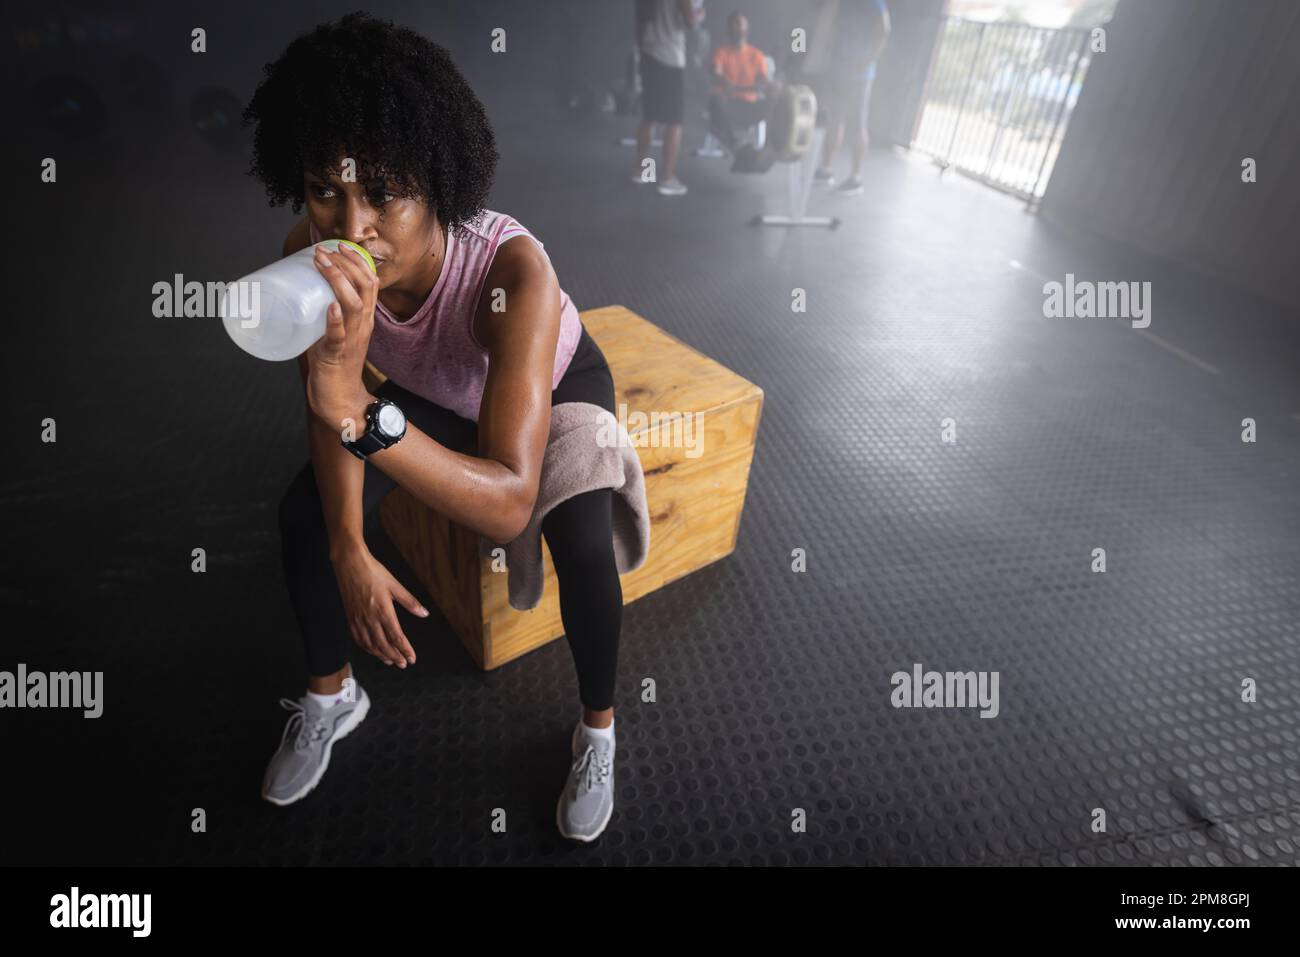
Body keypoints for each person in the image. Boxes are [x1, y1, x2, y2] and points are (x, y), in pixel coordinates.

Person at [243, 12, 624, 843]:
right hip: (429, 396)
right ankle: (331, 693)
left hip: (550, 385)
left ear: (438, 184)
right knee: (303, 517)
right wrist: (350, 545)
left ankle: (597, 728)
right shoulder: (307, 255)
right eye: (325, 189)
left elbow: (507, 503)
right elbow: (327, 409)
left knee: (582, 539)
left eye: (385, 193)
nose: (351, 228)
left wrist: (355, 408)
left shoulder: (510, 273)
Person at [802, 0, 891, 195]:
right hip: (838, 67)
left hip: (860, 73)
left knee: (859, 124)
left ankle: (856, 178)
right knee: (836, 119)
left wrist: (867, 61)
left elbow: (884, 31)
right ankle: (826, 169)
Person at [633, 0, 706, 196]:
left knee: (650, 116)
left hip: (649, 53)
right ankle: (667, 178)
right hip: (670, 58)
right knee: (674, 121)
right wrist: (700, 14)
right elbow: (691, 20)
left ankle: (642, 172)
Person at [707, 12, 772, 155]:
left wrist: (770, 86)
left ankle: (770, 148)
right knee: (715, 101)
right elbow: (716, 74)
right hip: (727, 105)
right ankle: (735, 144)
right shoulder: (721, 52)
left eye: (739, 23)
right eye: (734, 24)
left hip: (749, 106)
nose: (737, 27)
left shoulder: (757, 55)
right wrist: (726, 83)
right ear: (728, 29)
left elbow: (763, 79)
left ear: (747, 28)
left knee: (774, 101)